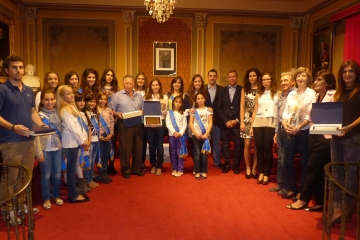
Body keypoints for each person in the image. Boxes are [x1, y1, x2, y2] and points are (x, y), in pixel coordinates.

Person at [0, 55, 42, 225]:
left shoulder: (29, 90)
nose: (19, 70)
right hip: (10, 141)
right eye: (15, 67)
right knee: (10, 178)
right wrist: (12, 127)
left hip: (28, 140)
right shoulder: (2, 89)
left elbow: (33, 113)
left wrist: (44, 126)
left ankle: (20, 204)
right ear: (6, 70)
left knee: (26, 176)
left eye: (21, 67)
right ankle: (7, 209)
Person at [287, 70, 336, 210]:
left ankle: (303, 199)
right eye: (315, 79)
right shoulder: (315, 96)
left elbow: (335, 117)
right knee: (319, 171)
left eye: (319, 79)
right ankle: (320, 203)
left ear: (328, 82)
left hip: (326, 137)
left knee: (311, 167)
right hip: (313, 135)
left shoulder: (334, 95)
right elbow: (310, 117)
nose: (315, 82)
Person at [330, 60, 360, 225]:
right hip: (336, 137)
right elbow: (333, 116)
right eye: (344, 72)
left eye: (351, 71)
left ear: (356, 74)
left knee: (350, 173)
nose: (347, 74)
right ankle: (337, 207)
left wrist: (349, 127)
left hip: (354, 137)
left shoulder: (359, 91)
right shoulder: (338, 93)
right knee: (337, 173)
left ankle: (348, 206)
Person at [281, 67, 316, 199]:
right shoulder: (292, 93)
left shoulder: (312, 94)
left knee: (304, 162)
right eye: (298, 76)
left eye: (303, 76)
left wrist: (298, 127)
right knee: (287, 161)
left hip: (304, 131)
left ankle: (302, 191)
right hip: (290, 129)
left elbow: (310, 115)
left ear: (308, 78)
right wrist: (284, 123)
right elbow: (286, 111)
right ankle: (291, 187)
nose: (300, 78)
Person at [56, 85, 90, 203]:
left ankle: (73, 193)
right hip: (70, 143)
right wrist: (82, 141)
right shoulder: (65, 109)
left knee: (73, 169)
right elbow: (73, 128)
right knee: (71, 170)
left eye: (72, 93)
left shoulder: (71, 107)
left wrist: (83, 140)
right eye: (68, 94)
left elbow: (79, 126)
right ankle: (73, 195)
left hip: (75, 142)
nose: (71, 95)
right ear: (62, 96)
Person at [109, 75, 144, 179]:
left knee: (138, 147)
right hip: (124, 124)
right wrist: (117, 114)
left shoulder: (139, 95)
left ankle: (136, 168)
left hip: (138, 124)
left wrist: (142, 111)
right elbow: (111, 110)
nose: (129, 85)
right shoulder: (117, 96)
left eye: (131, 83)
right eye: (127, 83)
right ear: (123, 84)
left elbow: (142, 109)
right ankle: (126, 169)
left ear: (133, 84)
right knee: (125, 148)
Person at [35, 89, 63, 210]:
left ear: (55, 100)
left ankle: (56, 196)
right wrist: (38, 152)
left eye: (52, 99)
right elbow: (36, 136)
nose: (49, 102)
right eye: (46, 99)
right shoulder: (38, 116)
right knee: (46, 175)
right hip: (45, 149)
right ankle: (46, 198)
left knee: (57, 174)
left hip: (57, 148)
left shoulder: (58, 113)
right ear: (41, 101)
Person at [268, 72, 295, 193]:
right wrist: (275, 132)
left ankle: (288, 186)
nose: (283, 83)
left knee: (286, 159)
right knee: (280, 158)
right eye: (282, 80)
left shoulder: (294, 95)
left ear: (292, 82)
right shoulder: (280, 96)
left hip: (289, 128)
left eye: (286, 80)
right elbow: (278, 116)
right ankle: (280, 183)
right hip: (279, 127)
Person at [250, 72, 278, 185]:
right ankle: (260, 172)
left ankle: (267, 174)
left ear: (272, 80)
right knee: (259, 149)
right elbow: (255, 110)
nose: (265, 81)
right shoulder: (259, 93)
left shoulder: (277, 93)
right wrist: (252, 126)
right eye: (263, 80)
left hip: (271, 122)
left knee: (268, 148)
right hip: (258, 122)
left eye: (267, 79)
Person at [217, 70, 244, 174]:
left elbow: (243, 108)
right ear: (227, 78)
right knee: (225, 146)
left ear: (236, 77)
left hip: (237, 123)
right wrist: (225, 121)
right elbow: (219, 108)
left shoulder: (242, 90)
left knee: (238, 146)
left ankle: (236, 166)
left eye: (233, 76)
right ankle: (227, 165)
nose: (232, 78)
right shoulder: (222, 91)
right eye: (230, 77)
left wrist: (237, 120)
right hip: (225, 124)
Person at [144, 78, 168, 176]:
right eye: (153, 85)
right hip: (149, 123)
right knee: (152, 146)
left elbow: (165, 113)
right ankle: (153, 164)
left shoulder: (164, 97)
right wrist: (151, 122)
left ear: (159, 86)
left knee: (159, 146)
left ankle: (159, 166)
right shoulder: (146, 97)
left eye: (157, 85)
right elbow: (145, 111)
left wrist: (163, 106)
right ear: (150, 87)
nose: (155, 87)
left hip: (160, 123)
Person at [240, 68, 260, 178]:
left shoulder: (261, 90)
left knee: (257, 145)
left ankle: (254, 168)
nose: (252, 78)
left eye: (254, 75)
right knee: (247, 145)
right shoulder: (244, 89)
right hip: (247, 118)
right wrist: (242, 122)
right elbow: (242, 106)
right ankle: (248, 166)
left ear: (258, 77)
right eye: (250, 76)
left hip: (258, 118)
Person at [189, 92, 213, 180]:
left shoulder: (208, 110)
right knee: (197, 153)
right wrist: (195, 133)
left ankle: (204, 171)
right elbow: (191, 123)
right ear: (196, 101)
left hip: (205, 135)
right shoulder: (194, 111)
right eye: (198, 99)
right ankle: (197, 171)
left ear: (204, 99)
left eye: (201, 98)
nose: (200, 100)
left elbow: (210, 122)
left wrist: (206, 133)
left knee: (204, 154)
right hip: (196, 135)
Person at [205, 69, 223, 169]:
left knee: (216, 142)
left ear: (216, 77)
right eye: (210, 76)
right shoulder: (202, 89)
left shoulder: (221, 90)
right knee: (204, 142)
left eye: (214, 76)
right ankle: (203, 163)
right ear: (208, 77)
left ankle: (217, 162)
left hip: (217, 120)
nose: (212, 78)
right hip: (204, 121)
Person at [166, 96, 187, 177]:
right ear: (173, 103)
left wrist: (180, 133)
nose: (178, 104)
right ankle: (174, 168)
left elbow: (184, 124)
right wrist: (174, 132)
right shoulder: (169, 112)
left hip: (181, 136)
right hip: (172, 135)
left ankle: (180, 169)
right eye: (176, 102)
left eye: (179, 102)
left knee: (180, 152)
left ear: (182, 103)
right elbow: (168, 123)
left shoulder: (183, 113)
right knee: (173, 152)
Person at [97, 92, 114, 181]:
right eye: (101, 99)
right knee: (100, 155)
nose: (103, 101)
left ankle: (105, 172)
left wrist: (111, 134)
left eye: (105, 99)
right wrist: (98, 135)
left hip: (108, 135)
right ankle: (101, 174)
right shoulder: (95, 110)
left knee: (106, 155)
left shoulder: (109, 110)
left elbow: (112, 122)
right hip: (99, 136)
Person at [134, 72, 148, 171]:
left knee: (143, 143)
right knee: (134, 143)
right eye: (138, 78)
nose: (140, 80)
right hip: (135, 120)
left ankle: (142, 162)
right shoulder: (132, 92)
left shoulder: (148, 92)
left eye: (142, 79)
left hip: (146, 121)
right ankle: (135, 163)